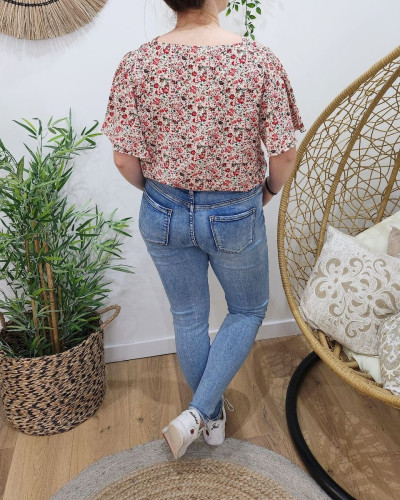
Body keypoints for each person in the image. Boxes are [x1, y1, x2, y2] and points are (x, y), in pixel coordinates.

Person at [101, 0, 305, 460]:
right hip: (233, 212)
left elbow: (123, 159)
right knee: (249, 309)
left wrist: (158, 195)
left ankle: (209, 419)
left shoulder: (137, 62)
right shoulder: (258, 60)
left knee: (189, 316)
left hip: (162, 208)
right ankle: (198, 414)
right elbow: (284, 155)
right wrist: (268, 192)